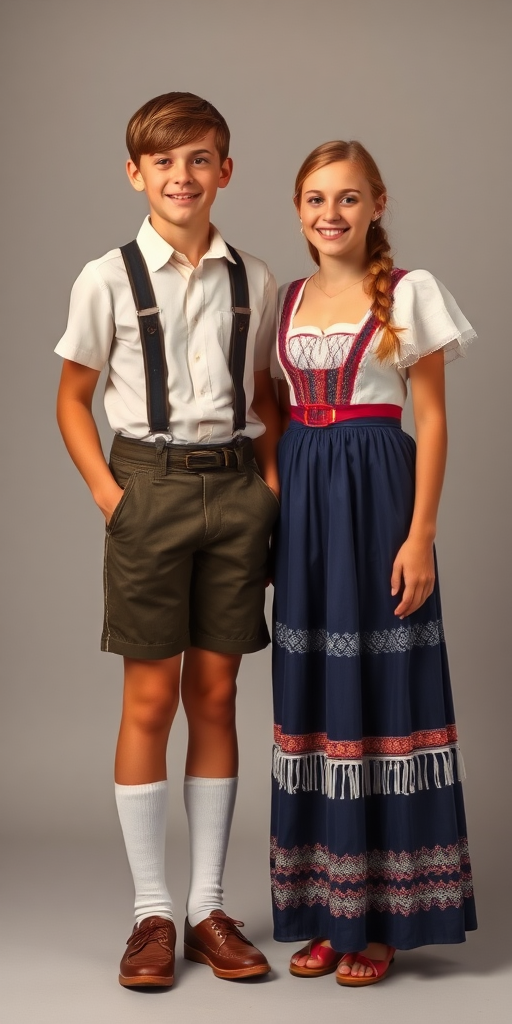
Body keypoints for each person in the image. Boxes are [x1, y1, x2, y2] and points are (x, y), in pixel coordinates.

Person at [55, 91, 280, 988]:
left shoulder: (254, 278)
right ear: (135, 173)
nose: (181, 178)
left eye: (199, 161)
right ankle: (151, 913)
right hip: (144, 489)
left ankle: (206, 909)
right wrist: (114, 499)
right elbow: (72, 399)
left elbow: (263, 399)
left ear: (225, 171)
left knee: (216, 698)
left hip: (234, 488)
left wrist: (265, 489)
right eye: (163, 163)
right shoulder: (103, 277)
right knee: (150, 700)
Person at [270, 140, 477, 986]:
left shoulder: (407, 293)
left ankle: (385, 919)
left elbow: (430, 420)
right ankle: (329, 912)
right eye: (316, 199)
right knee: (317, 698)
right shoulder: (283, 302)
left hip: (381, 509)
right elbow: (271, 422)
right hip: (308, 521)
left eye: (349, 198)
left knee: (387, 703)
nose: (331, 214)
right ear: (297, 209)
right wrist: (283, 512)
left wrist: (420, 533)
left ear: (377, 203)